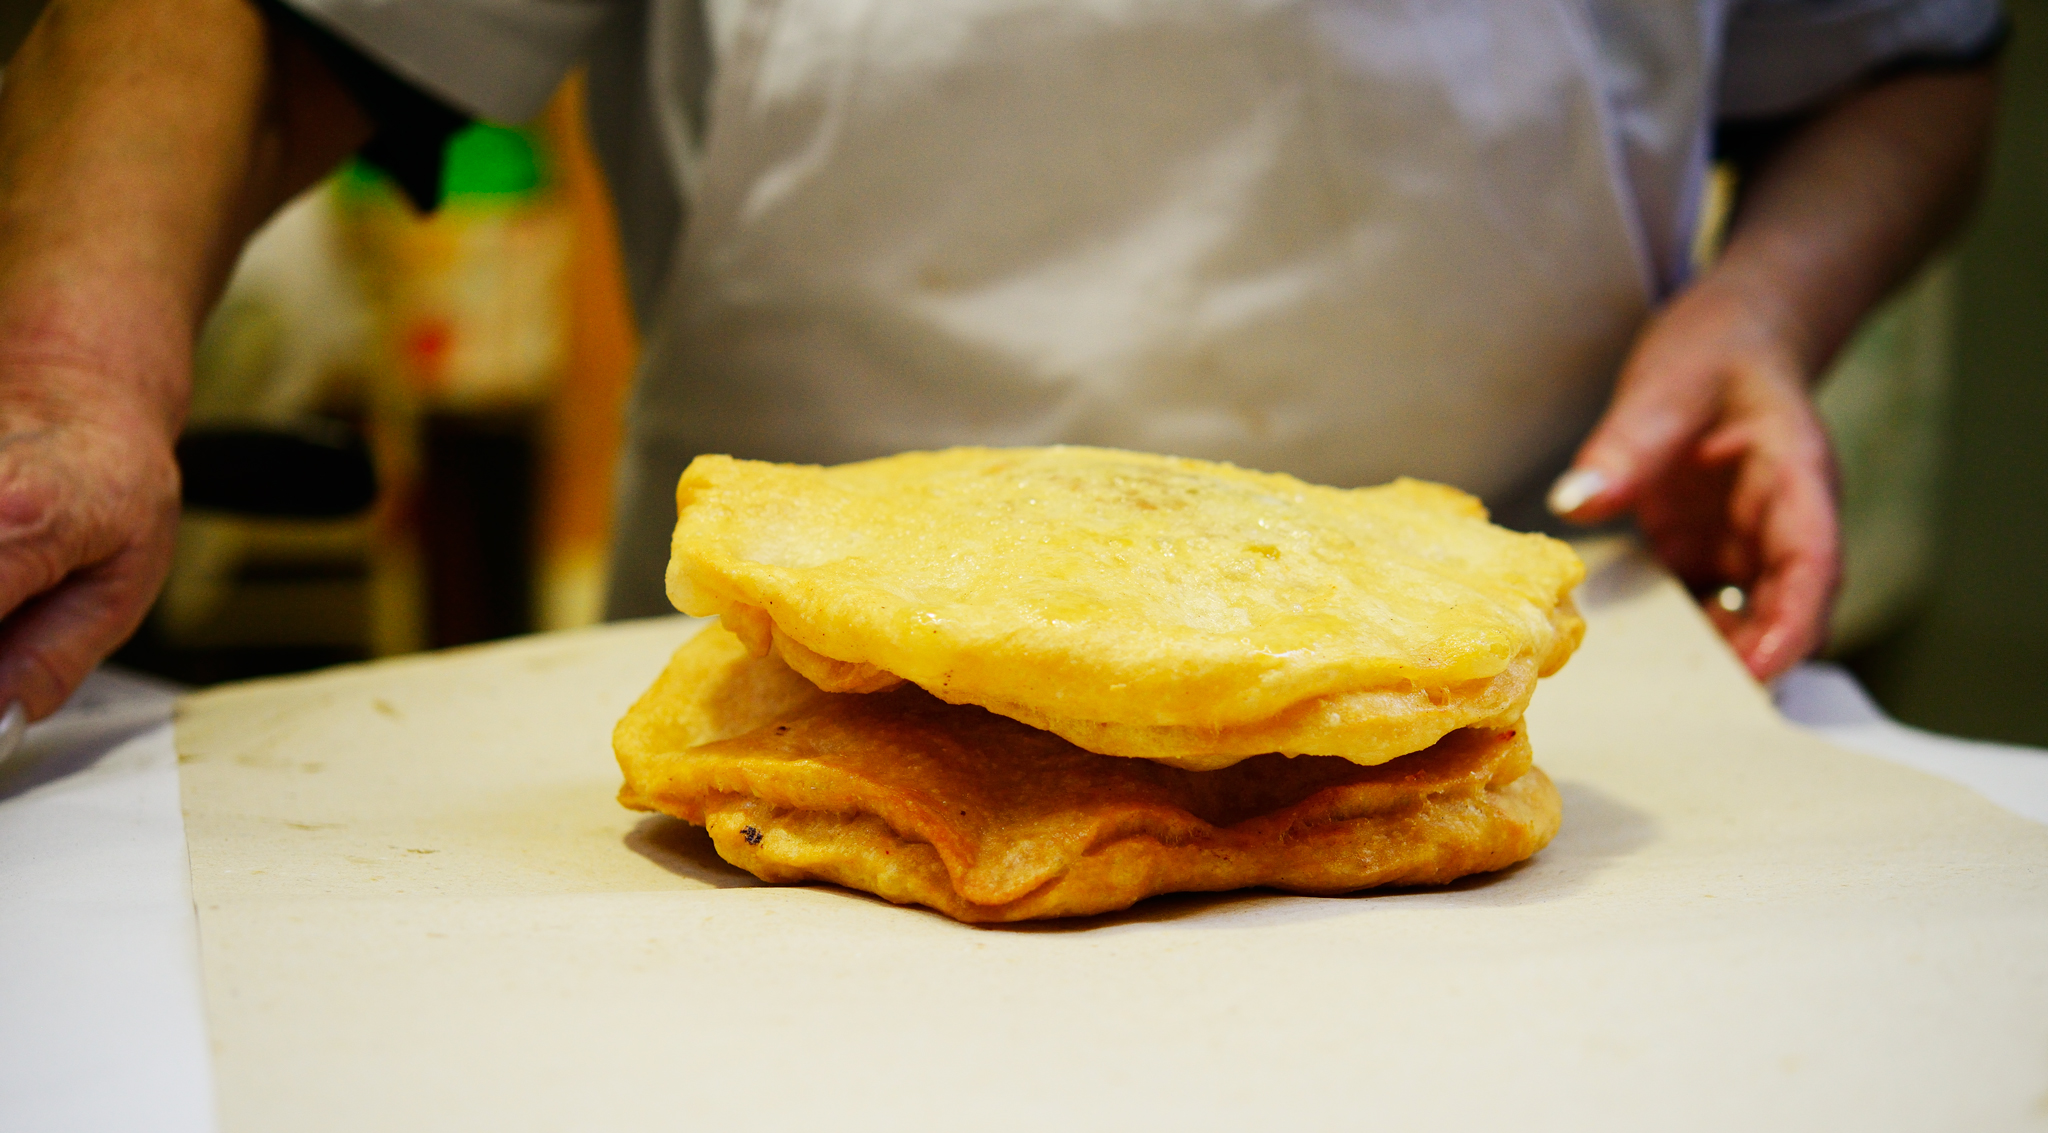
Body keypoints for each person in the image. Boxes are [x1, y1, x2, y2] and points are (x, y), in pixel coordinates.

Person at [0, 0, 2002, 727]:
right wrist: (75, 371)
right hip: (815, 668)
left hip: (1518, 661)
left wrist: (1764, 306)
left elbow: (1905, 60)